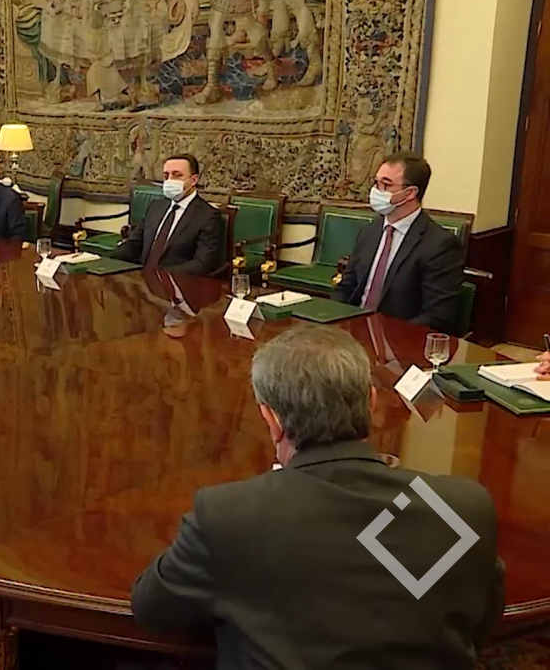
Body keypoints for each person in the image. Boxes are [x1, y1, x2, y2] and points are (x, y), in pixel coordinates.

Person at [131, 325, 504, 670]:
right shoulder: (462, 508)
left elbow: (152, 607)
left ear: (272, 421)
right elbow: (481, 623)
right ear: (372, 402)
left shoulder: (229, 517)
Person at [333, 152, 463, 334]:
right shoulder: (369, 231)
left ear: (410, 193)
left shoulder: (440, 245)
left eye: (385, 185)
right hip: (353, 332)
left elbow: (438, 316)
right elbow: (346, 287)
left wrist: (385, 336)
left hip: (398, 338)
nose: (376, 191)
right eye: (376, 183)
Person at [111, 154, 223, 275]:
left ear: (194, 180)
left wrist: (159, 276)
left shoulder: (208, 216)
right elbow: (134, 244)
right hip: (143, 280)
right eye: (166, 176)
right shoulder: (156, 207)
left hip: (176, 282)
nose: (170, 180)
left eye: (177, 175)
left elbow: (202, 264)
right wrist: (104, 261)